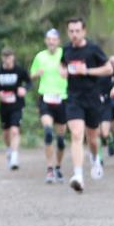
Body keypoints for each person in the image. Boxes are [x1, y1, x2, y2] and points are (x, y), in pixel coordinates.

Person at [61, 17, 114, 193]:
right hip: (73, 98)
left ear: (84, 31)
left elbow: (109, 69)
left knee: (92, 138)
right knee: (77, 134)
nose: (74, 34)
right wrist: (63, 71)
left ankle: (95, 158)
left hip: (92, 98)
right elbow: (62, 65)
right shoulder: (66, 50)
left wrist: (87, 71)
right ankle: (78, 176)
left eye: (77, 31)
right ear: (68, 32)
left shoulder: (93, 49)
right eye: (71, 31)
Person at [30, 28, 68, 183]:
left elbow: (73, 73)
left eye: (54, 39)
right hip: (45, 98)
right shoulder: (40, 56)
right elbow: (31, 75)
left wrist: (67, 74)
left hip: (62, 98)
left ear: (58, 41)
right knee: (48, 132)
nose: (51, 42)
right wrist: (36, 74)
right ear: (46, 41)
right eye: (49, 39)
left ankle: (58, 167)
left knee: (60, 139)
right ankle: (50, 169)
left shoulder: (64, 54)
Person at [0, 48, 31, 170]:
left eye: (9, 56)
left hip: (17, 104)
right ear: (2, 58)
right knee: (6, 133)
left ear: (13, 57)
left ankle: (14, 158)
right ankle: (9, 149)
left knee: (14, 130)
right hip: (4, 106)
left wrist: (24, 89)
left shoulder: (20, 70)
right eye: (5, 57)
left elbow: (29, 83)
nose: (7, 59)